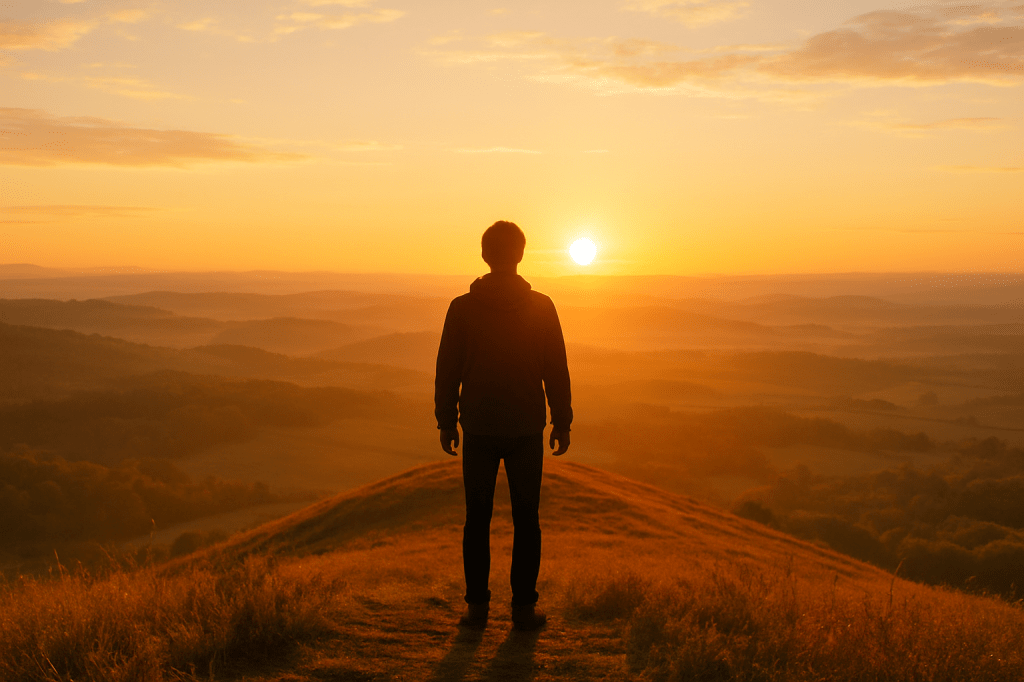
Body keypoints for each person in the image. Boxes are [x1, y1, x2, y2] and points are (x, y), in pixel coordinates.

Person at [434, 220, 572, 631]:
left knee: (476, 520)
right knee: (527, 521)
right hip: (526, 428)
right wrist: (561, 421)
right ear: (521, 254)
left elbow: (447, 369)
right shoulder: (542, 306)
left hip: (478, 427)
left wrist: (447, 421)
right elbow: (556, 368)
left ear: (484, 255)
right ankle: (523, 609)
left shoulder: (462, 308)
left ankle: (477, 608)